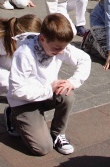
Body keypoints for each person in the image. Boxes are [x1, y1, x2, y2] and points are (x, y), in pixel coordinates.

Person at [8, 13, 92, 156]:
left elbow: (84, 59)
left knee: (67, 94)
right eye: (57, 48)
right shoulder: (24, 54)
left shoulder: (58, 44)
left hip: (46, 92)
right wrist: (49, 89)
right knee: (42, 148)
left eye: (63, 48)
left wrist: (73, 81)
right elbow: (17, 90)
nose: (61, 52)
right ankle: (12, 115)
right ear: (42, 39)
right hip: (23, 101)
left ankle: (58, 133)